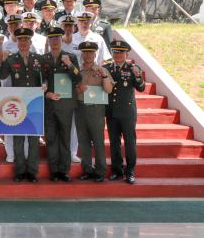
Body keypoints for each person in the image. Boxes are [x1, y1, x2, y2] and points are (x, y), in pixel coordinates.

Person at [0, 28, 45, 183]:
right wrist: (4, 60)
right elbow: (2, 76)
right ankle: (19, 170)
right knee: (18, 139)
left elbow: (46, 78)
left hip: (35, 103)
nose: (23, 43)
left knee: (33, 139)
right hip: (17, 103)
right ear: (17, 42)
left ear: (30, 42)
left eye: (26, 40)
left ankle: (32, 171)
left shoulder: (38, 59)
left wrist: (45, 85)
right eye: (20, 40)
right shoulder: (11, 59)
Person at [42, 27, 81, 182]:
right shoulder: (43, 58)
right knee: (51, 138)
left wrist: (70, 65)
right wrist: (46, 93)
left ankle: (64, 170)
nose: (55, 41)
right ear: (48, 41)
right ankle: (54, 171)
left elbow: (78, 78)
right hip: (50, 103)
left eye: (57, 38)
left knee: (65, 137)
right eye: (51, 39)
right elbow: (40, 80)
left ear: (62, 39)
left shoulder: (70, 56)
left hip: (65, 104)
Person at [106, 40, 145, 184]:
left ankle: (130, 171)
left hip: (127, 112)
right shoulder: (106, 68)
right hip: (111, 111)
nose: (117, 55)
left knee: (129, 142)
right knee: (114, 142)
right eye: (115, 52)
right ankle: (117, 170)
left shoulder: (132, 68)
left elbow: (141, 88)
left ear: (126, 54)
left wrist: (138, 76)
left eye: (121, 52)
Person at [75, 41, 114, 182]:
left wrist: (104, 77)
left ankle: (100, 171)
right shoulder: (77, 71)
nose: (88, 55)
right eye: (85, 52)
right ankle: (87, 169)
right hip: (80, 108)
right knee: (83, 141)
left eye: (90, 52)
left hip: (96, 109)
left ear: (95, 53)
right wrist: (78, 88)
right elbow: (71, 89)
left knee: (98, 141)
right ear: (82, 54)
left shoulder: (102, 70)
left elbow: (109, 90)